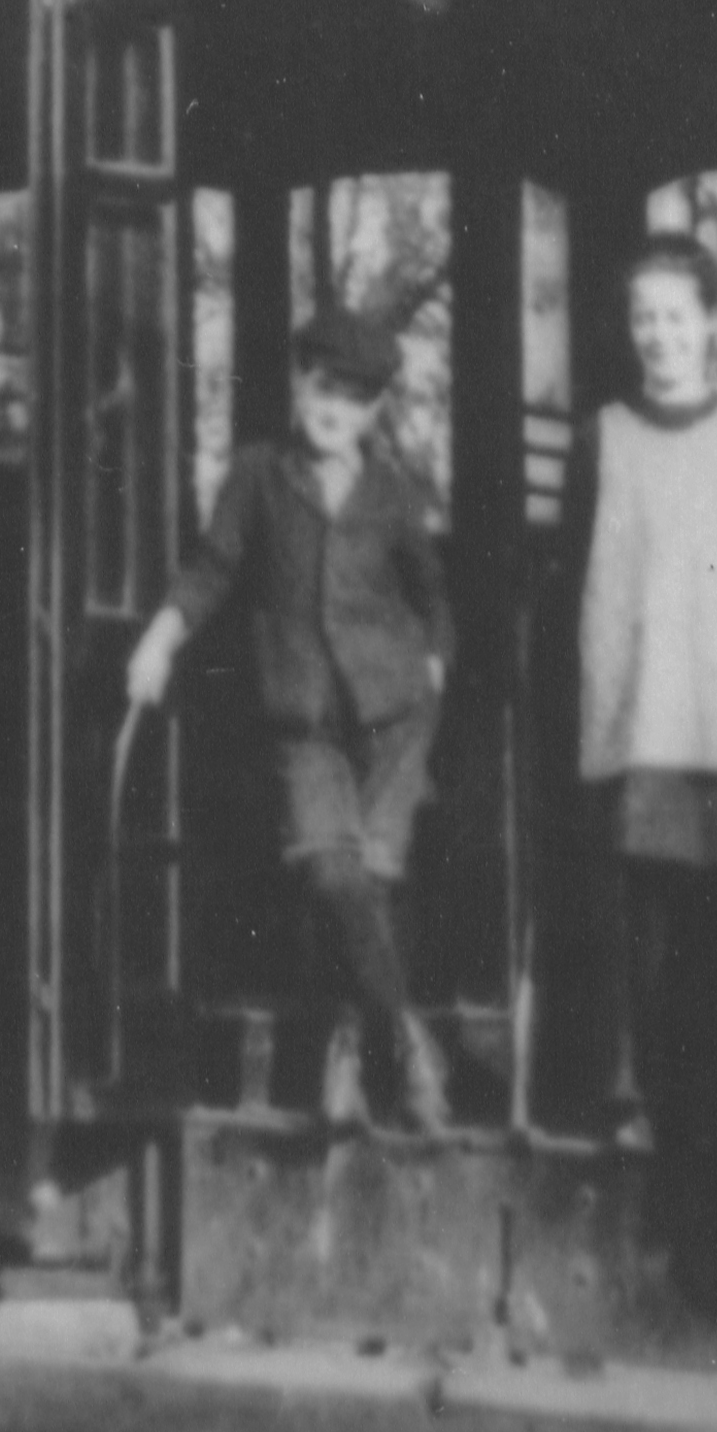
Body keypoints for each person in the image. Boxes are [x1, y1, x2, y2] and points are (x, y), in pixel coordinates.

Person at [124, 302, 455, 1132]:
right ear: (299, 385)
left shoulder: (393, 490)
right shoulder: (259, 475)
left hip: (392, 719)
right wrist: (160, 640)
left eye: (352, 395)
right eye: (321, 386)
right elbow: (210, 568)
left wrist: (435, 661)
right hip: (302, 718)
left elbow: (431, 593)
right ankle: (405, 1040)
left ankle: (352, 1052)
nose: (332, 407)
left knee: (372, 887)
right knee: (334, 877)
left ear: (375, 408)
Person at [568, 233, 717, 1150]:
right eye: (643, 318)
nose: (658, 336)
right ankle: (633, 1097)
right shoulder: (603, 439)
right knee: (641, 923)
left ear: (711, 327)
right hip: (637, 716)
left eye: (675, 317)